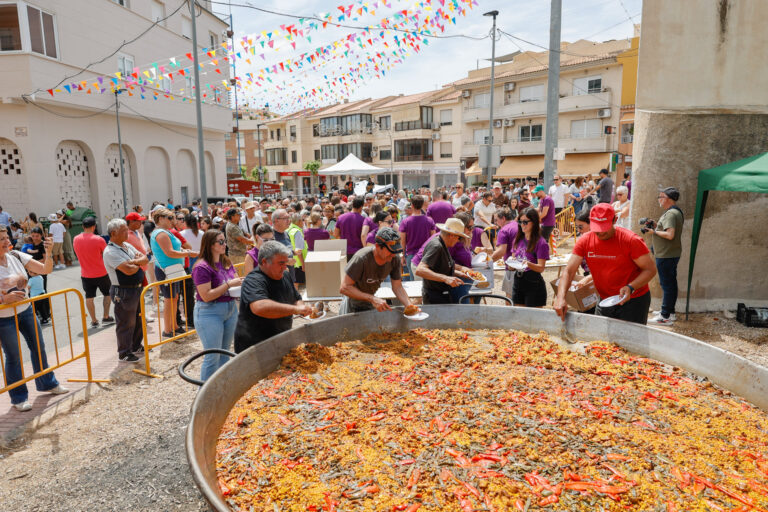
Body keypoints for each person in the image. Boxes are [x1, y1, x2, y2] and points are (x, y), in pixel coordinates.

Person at [0, 229, 69, 411]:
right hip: (4, 318)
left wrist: (48, 253)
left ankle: (48, 383)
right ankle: (18, 397)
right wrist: (3, 300)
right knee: (14, 357)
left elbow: (46, 269)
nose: (6, 241)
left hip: (26, 310)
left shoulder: (15, 254)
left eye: (6, 237)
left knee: (39, 347)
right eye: (1, 239)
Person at [554, 203, 657, 324]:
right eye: (597, 228)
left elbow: (650, 270)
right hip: (605, 299)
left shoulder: (631, 240)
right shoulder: (585, 240)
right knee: (601, 339)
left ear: (615, 220)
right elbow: (569, 271)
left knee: (629, 340)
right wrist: (560, 297)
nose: (600, 233)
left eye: (604, 227)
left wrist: (631, 287)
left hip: (633, 300)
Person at [233, 241, 311, 353]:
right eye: (281, 263)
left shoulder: (286, 275)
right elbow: (260, 307)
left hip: (280, 341)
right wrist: (295, 309)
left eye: (286, 262)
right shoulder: (253, 280)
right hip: (255, 347)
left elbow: (296, 297)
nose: (285, 267)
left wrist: (301, 307)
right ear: (264, 262)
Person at [192, 230, 243, 380]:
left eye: (224, 241)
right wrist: (228, 285)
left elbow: (235, 279)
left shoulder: (225, 261)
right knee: (212, 356)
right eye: (220, 242)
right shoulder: (202, 267)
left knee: (224, 352)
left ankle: (222, 388)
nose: (224, 244)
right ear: (210, 245)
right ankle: (205, 395)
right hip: (210, 312)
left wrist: (239, 283)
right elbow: (206, 295)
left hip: (230, 309)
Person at [102, 219, 149, 363]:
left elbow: (145, 258)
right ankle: (124, 352)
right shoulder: (110, 251)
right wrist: (136, 263)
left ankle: (135, 346)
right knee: (126, 322)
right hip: (123, 291)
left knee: (138, 319)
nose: (126, 232)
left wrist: (134, 262)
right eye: (123, 230)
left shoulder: (126, 245)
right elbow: (128, 270)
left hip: (136, 288)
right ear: (113, 233)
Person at [340, 227, 413, 313]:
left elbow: (397, 287)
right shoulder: (361, 258)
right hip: (352, 304)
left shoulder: (394, 258)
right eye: (390, 252)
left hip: (369, 302)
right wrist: (372, 299)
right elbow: (344, 288)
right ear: (378, 246)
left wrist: (409, 305)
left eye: (395, 252)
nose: (393, 256)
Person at [150, 208, 194, 337]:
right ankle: (168, 329)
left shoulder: (166, 232)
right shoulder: (160, 233)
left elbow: (174, 249)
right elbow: (169, 252)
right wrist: (188, 253)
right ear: (161, 219)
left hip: (172, 269)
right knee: (169, 299)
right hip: (166, 270)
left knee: (174, 298)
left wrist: (185, 253)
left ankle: (174, 326)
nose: (173, 221)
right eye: (170, 218)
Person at [414, 218, 473, 304]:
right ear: (452, 235)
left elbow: (440, 267)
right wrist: (445, 278)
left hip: (440, 294)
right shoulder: (437, 246)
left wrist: (458, 273)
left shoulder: (443, 244)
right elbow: (420, 270)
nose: (458, 241)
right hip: (434, 296)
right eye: (459, 238)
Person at [648, 187, 684, 325]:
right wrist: (656, 226)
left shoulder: (670, 214)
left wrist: (653, 232)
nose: (659, 199)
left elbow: (670, 235)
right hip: (670, 253)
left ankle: (665, 316)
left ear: (668, 198)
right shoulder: (674, 212)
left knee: (667, 285)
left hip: (666, 255)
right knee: (670, 284)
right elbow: (667, 230)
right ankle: (670, 312)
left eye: (661, 196)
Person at [72, 217, 113, 328]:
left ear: (83, 226)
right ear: (94, 226)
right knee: (107, 294)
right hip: (101, 272)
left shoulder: (76, 239)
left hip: (85, 273)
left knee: (89, 297)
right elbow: (106, 254)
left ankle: (94, 320)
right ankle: (105, 316)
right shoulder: (99, 239)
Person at [508, 208, 550, 307]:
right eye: (520, 221)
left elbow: (541, 268)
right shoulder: (517, 240)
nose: (522, 224)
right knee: (518, 315)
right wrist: (510, 265)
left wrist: (528, 264)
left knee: (533, 318)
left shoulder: (541, 243)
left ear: (534, 223)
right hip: (518, 281)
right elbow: (513, 261)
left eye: (525, 222)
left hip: (533, 283)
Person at [398, 195, 435, 281]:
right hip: (427, 254)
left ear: (412, 205)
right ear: (422, 205)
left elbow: (402, 242)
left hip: (411, 255)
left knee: (413, 282)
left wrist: (402, 256)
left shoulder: (405, 222)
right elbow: (434, 239)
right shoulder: (429, 220)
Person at [21, 227, 51, 324]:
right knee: (31, 292)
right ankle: (36, 312)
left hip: (41, 271)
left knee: (42, 292)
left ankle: (47, 313)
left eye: (37, 236)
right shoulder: (30, 244)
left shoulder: (43, 245)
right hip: (30, 271)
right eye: (33, 236)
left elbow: (45, 259)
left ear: (41, 235)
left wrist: (33, 264)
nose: (35, 238)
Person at [286, 213, 306, 288]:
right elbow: (299, 250)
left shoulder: (288, 230)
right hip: (298, 263)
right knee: (296, 285)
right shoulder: (297, 232)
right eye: (302, 220)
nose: (303, 222)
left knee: (293, 284)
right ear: (299, 221)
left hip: (291, 261)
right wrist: (303, 264)